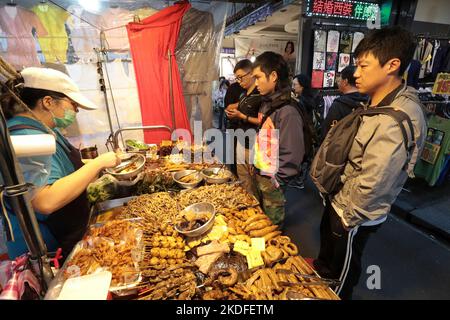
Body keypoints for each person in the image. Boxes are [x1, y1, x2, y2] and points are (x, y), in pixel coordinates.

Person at [313, 27, 427, 299]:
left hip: (353, 213)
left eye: (364, 65)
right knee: (328, 260)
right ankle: (321, 279)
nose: (356, 73)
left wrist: (346, 220)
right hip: (341, 200)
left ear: (392, 65)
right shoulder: (378, 101)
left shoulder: (393, 120)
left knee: (343, 271)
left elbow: (374, 183)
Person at [1, 67, 121, 259]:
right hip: (48, 248)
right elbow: (45, 201)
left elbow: (65, 162)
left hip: (68, 232)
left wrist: (105, 165)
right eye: (73, 104)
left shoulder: (46, 129)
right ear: (48, 102)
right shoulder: (24, 138)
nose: (77, 110)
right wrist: (98, 163)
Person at [252, 51, 305, 226]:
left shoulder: (287, 111)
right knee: (261, 220)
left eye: (258, 77)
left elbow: (293, 153)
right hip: (262, 172)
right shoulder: (267, 102)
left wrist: (277, 181)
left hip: (273, 179)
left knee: (271, 227)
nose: (256, 83)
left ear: (273, 76)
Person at [225, 59, 261, 197]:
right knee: (243, 178)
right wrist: (233, 113)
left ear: (251, 73)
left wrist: (242, 116)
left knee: (255, 182)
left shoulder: (260, 95)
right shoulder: (243, 95)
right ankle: (248, 204)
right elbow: (234, 107)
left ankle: (258, 211)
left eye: (241, 77)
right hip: (241, 140)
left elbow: (264, 122)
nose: (239, 81)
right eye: (237, 78)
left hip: (253, 145)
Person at [321, 65, 369, 140]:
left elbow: (329, 133)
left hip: (343, 148)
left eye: (340, 79)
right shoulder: (369, 101)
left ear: (345, 81)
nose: (338, 81)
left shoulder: (339, 105)